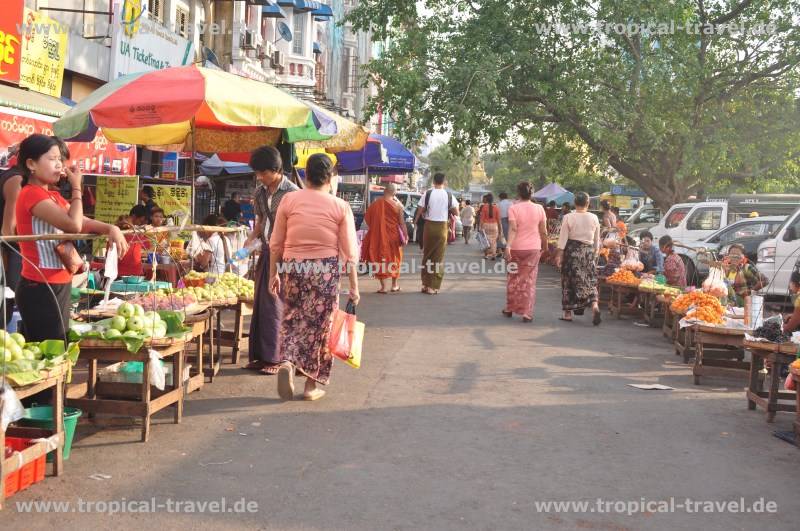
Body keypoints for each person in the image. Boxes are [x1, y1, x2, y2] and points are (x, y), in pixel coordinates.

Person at [14, 134, 128, 341]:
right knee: (51, 352)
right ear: (31, 163)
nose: (59, 165)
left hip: (58, 282)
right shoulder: (31, 193)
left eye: (60, 159)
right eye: (52, 159)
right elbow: (74, 226)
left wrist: (112, 228)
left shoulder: (52, 195)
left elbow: (83, 221)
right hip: (40, 284)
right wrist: (77, 187)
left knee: (58, 345)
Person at [268, 153, 359, 401]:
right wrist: (354, 287)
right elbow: (350, 252)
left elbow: (275, 243)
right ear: (330, 177)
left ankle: (287, 362)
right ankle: (310, 386)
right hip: (324, 271)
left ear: (305, 175)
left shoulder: (289, 200)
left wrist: (272, 274)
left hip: (292, 267)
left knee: (292, 319)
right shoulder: (340, 206)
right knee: (321, 327)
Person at [245, 146, 299, 375]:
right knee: (261, 304)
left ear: (276, 170)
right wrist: (247, 245)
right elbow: (259, 223)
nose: (259, 177)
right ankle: (260, 355)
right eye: (257, 173)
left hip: (287, 255)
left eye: (262, 173)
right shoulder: (260, 192)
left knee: (277, 304)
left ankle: (277, 358)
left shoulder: (292, 193)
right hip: (267, 251)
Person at [502, 181, 547, 323]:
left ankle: (509, 308)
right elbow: (543, 231)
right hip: (533, 248)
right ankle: (527, 313)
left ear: (518, 193)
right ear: (532, 193)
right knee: (529, 280)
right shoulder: (540, 208)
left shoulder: (513, 208)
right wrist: (545, 246)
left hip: (515, 248)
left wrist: (508, 246)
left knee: (512, 278)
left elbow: (513, 229)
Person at [556, 191, 602, 325]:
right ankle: (594, 306)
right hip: (588, 253)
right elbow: (596, 240)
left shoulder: (568, 217)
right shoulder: (594, 218)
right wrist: (595, 254)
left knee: (568, 281)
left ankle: (568, 313)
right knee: (590, 280)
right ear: (588, 203)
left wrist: (559, 256)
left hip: (572, 253)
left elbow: (563, 239)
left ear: (574, 203)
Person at [414, 172, 458, 294]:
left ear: (433, 182)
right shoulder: (449, 195)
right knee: (438, 258)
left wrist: (415, 223)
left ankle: (424, 284)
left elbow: (419, 210)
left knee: (427, 255)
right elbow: (456, 212)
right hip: (442, 227)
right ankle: (432, 287)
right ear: (445, 182)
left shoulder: (427, 193)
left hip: (429, 227)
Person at [361, 183, 407, 294]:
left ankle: (383, 287)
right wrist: (405, 236)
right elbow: (402, 223)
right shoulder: (398, 206)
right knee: (395, 259)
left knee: (380, 259)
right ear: (394, 193)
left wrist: (378, 226)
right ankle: (394, 285)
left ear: (384, 191)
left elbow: (368, 219)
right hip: (393, 237)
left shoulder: (376, 204)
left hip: (379, 237)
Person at [479, 193, 502, 260]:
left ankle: (486, 255)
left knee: (485, 241)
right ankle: (493, 255)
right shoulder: (496, 207)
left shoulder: (484, 207)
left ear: (487, 199)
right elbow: (498, 220)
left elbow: (482, 218)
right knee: (494, 242)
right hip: (494, 226)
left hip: (485, 225)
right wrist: (500, 230)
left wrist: (480, 227)